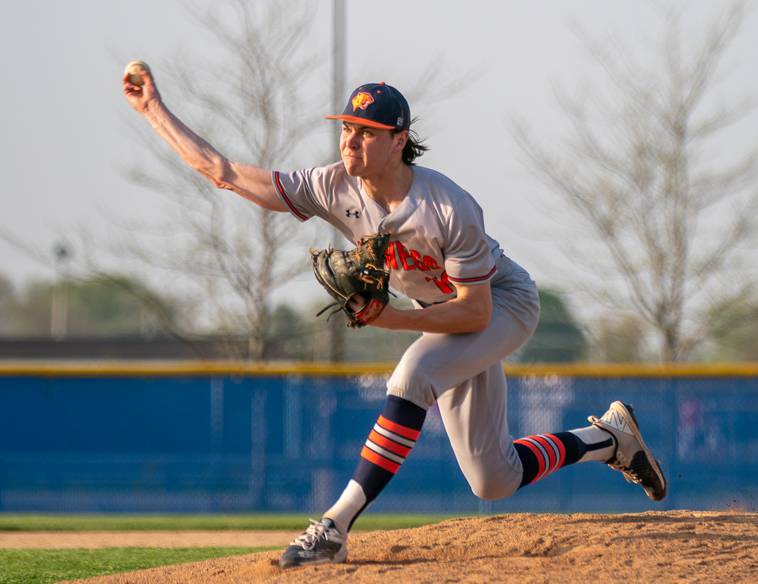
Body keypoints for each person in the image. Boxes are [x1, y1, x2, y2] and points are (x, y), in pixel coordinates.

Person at [123, 70, 667, 569]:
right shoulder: (331, 185)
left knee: (412, 377)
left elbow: (475, 310)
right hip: (443, 314)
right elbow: (222, 173)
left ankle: (334, 526)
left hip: (502, 304)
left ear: (398, 140)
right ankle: (610, 440)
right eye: (346, 128)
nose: (350, 141)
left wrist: (389, 320)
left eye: (365, 131)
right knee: (492, 479)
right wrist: (154, 111)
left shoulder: (448, 207)